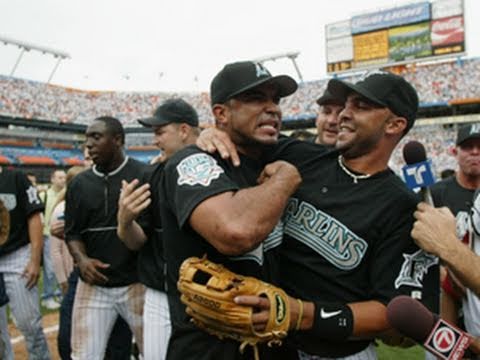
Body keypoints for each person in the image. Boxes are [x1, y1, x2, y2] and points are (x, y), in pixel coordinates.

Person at [199, 72, 439, 359]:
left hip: (337, 353)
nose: (344, 115)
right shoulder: (300, 155)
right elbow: (242, 138)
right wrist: (213, 132)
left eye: (360, 106)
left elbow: (391, 313)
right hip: (269, 345)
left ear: (394, 124)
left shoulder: (402, 206)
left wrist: (302, 313)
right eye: (345, 105)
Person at [161, 61, 303, 359]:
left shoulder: (283, 155)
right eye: (255, 98)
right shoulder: (192, 162)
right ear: (221, 113)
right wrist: (286, 178)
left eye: (275, 99)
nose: (272, 108)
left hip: (277, 343)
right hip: (208, 350)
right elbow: (234, 231)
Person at [117, 98, 201, 360]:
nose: (155, 140)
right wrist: (125, 221)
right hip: (160, 294)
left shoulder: (218, 166)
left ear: (184, 130)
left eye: (160, 132)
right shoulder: (150, 176)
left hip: (207, 294)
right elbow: (136, 241)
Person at [65, 116, 147, 358]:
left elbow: (150, 234)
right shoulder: (79, 183)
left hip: (138, 283)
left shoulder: (143, 174)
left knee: (155, 353)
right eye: (87, 138)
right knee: (83, 356)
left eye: (96, 137)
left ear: (118, 140)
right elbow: (72, 233)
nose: (88, 144)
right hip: (94, 286)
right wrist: (82, 260)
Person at [430, 123, 480, 328]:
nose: (475, 152)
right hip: (445, 296)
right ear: (454, 151)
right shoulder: (436, 192)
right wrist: (443, 273)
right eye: (468, 147)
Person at [0, 166, 51, 360]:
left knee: (29, 323)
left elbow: (34, 217)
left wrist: (34, 259)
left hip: (17, 255)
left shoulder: (16, 178)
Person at [39, 169, 66, 310]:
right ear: (52, 179)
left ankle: (59, 293)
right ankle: (47, 296)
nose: (63, 180)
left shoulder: (67, 194)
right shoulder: (44, 195)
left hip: (63, 234)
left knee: (63, 266)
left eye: (64, 177)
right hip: (47, 235)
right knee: (50, 268)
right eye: (60, 177)